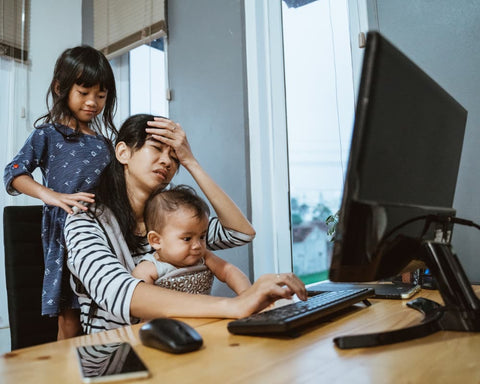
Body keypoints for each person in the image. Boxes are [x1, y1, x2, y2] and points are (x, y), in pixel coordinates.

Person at [64, 113, 307, 334]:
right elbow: (120, 293)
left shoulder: (173, 222)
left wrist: (191, 161)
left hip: (184, 337)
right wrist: (235, 305)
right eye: (156, 149)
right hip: (115, 354)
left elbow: (240, 233)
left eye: (174, 157)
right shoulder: (83, 220)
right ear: (123, 153)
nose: (167, 162)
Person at [3, 45, 117, 339]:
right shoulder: (47, 134)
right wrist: (50, 195)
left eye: (101, 95)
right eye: (84, 92)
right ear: (60, 87)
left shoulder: (106, 144)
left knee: (106, 309)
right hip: (65, 233)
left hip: (105, 234)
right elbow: (13, 172)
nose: (93, 102)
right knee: (70, 316)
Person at [132, 184, 252, 295]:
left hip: (207, 315)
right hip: (167, 317)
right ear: (156, 241)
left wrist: (247, 296)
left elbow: (229, 271)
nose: (197, 245)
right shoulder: (149, 269)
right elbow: (142, 303)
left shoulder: (204, 257)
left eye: (202, 237)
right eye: (187, 238)